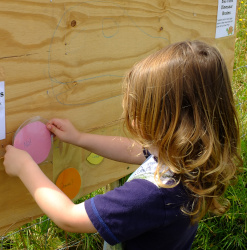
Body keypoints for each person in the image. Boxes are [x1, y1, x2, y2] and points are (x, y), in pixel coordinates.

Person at [4, 40, 242, 250]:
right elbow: (135, 150)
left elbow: (68, 217)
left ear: (169, 121)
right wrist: (79, 138)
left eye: (140, 110)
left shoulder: (151, 194)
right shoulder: (190, 160)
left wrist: (25, 166)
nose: (132, 117)